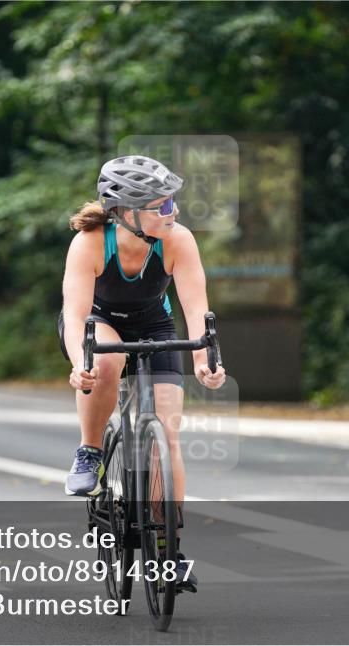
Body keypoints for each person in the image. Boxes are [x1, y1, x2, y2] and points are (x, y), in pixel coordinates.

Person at [58, 155, 227, 590]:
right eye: (162, 205)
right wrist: (80, 364)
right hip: (98, 323)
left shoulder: (178, 240)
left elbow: (196, 309)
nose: (173, 211)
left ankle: (168, 551)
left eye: (173, 202)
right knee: (107, 361)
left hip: (154, 325)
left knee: (166, 435)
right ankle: (90, 451)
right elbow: (74, 316)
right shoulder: (90, 243)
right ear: (127, 214)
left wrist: (205, 360)